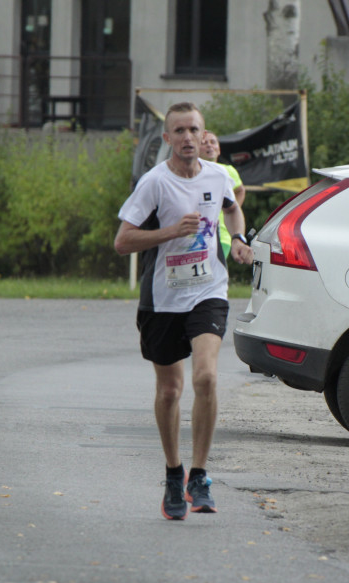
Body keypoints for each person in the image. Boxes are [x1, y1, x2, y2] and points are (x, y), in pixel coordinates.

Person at [114, 102, 253, 520]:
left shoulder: (217, 175)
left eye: (195, 129)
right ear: (167, 139)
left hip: (208, 289)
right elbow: (123, 242)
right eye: (180, 131)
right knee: (171, 391)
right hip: (163, 298)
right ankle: (174, 473)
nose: (189, 137)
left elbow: (231, 206)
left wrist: (239, 237)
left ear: (203, 134)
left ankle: (199, 475)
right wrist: (171, 232)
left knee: (207, 377)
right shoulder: (154, 184)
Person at [199, 131, 246, 258]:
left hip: (223, 235)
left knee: (212, 271)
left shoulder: (228, 171)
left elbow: (240, 190)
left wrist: (233, 210)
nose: (209, 145)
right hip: (199, 235)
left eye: (213, 142)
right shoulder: (193, 172)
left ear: (219, 149)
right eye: (204, 143)